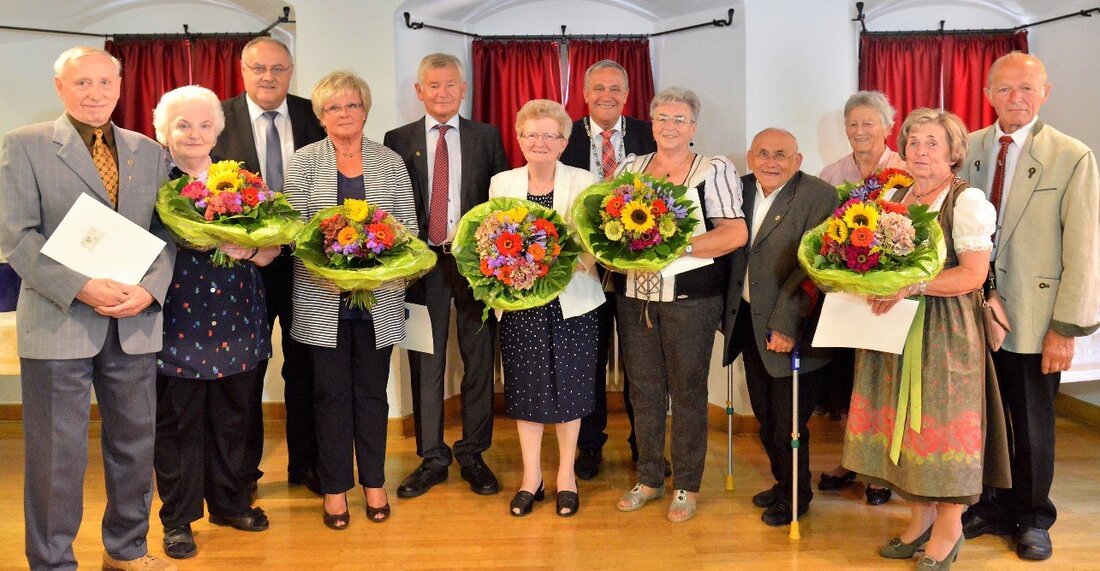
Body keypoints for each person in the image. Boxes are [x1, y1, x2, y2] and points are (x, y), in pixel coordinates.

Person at [0, 46, 176, 570]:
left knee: (135, 446)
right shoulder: (24, 145)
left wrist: (151, 290)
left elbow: (165, 231)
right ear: (60, 87)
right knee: (57, 456)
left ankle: (127, 549)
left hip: (133, 322)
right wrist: (82, 287)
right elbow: (16, 237)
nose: (95, 93)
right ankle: (52, 561)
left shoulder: (150, 151)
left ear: (120, 88)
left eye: (104, 83)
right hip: (59, 321)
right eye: (82, 83)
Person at [841, 108, 1009, 569]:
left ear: (954, 152)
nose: (920, 151)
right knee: (904, 428)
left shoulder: (966, 201)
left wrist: (911, 285)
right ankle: (920, 520)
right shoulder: (894, 194)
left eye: (933, 143)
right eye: (913, 142)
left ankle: (949, 529)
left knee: (940, 423)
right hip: (893, 325)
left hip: (944, 330)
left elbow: (972, 275)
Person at [958, 52, 1100, 561]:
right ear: (987, 94)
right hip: (971, 312)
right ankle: (991, 506)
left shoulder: (1072, 155)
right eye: (1004, 88)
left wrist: (1065, 328)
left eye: (1026, 88)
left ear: (1045, 92)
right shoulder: (968, 147)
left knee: (1032, 425)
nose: (1015, 98)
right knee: (984, 420)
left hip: (1035, 318)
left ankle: (1034, 517)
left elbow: (1084, 248)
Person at [151, 85, 278, 560]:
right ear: (163, 131)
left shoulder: (241, 181)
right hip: (174, 318)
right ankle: (178, 519)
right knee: (177, 423)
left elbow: (273, 247)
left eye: (205, 124)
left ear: (217, 131)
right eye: (183, 124)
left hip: (237, 316)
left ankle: (230, 503)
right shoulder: (152, 183)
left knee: (234, 416)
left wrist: (250, 247)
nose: (194, 133)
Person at [285, 71, 416, 529]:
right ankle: (335, 487)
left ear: (365, 110)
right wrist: (334, 270)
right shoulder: (303, 162)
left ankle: (374, 483)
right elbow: (295, 233)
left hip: (378, 301)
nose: (344, 113)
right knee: (329, 395)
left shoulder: (390, 162)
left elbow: (408, 230)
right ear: (321, 116)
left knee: (372, 394)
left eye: (352, 105)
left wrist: (378, 267)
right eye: (334, 107)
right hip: (322, 299)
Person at [612, 87, 747, 523]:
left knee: (687, 392)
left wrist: (679, 246)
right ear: (651, 123)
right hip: (635, 298)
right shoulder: (630, 168)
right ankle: (650, 477)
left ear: (693, 127)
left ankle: (686, 484)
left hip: (692, 301)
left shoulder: (713, 169)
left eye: (679, 119)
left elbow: (735, 233)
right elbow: (608, 223)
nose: (670, 126)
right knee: (643, 390)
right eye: (662, 118)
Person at [384, 53, 508, 499]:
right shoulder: (396, 139)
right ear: (419, 91)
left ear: (464, 89)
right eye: (433, 85)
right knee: (426, 360)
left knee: (479, 360)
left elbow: (500, 199)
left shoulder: (486, 137)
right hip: (421, 266)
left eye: (450, 84)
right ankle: (432, 458)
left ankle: (473, 453)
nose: (442, 92)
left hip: (475, 265)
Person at [212, 37, 327, 496]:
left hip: (306, 266)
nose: (268, 76)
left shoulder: (313, 116)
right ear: (242, 70)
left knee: (306, 367)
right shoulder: (217, 118)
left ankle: (308, 466)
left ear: (291, 71)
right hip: (243, 267)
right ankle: (242, 476)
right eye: (259, 68)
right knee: (245, 372)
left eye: (278, 68)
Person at [488, 99, 604, 517]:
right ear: (519, 139)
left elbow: (595, 240)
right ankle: (531, 478)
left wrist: (560, 264)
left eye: (550, 135)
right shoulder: (501, 183)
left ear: (564, 141)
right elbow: (490, 241)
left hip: (574, 300)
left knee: (572, 389)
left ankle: (566, 477)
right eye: (531, 134)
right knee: (525, 390)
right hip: (521, 303)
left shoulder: (585, 180)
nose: (540, 142)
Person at [722, 128, 836, 526]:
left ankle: (796, 497)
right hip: (748, 323)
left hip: (793, 328)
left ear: (797, 160)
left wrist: (786, 324)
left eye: (781, 154)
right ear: (750, 157)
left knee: (788, 422)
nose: (771, 162)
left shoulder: (819, 195)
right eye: (763, 154)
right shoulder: (738, 189)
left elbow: (813, 267)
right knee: (766, 418)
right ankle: (783, 482)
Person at [559, 59, 658, 479]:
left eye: (615, 88)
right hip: (582, 271)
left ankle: (645, 448)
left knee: (642, 364)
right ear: (584, 94)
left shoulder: (650, 135)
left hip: (638, 270)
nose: (607, 95)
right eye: (598, 88)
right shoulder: (563, 136)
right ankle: (589, 446)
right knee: (588, 362)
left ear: (627, 94)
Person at [817, 90, 906, 506]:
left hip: (889, 297)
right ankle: (851, 460)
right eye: (852, 123)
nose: (859, 130)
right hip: (845, 297)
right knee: (847, 384)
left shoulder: (906, 171)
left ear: (888, 127)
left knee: (883, 384)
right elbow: (820, 233)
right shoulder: (832, 172)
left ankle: (881, 471)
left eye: (868, 123)